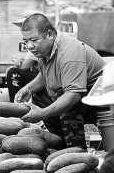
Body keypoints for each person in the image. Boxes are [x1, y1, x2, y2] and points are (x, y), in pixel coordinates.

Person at [15, 13, 105, 150]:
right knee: (39, 96)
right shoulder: (45, 49)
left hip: (101, 102)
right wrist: (27, 89)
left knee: (65, 101)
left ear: (50, 34)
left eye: (33, 40)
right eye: (25, 41)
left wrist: (43, 113)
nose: (29, 46)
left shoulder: (69, 53)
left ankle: (76, 152)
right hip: (82, 96)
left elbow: (73, 95)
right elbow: (44, 75)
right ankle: (61, 145)